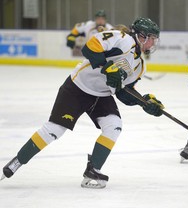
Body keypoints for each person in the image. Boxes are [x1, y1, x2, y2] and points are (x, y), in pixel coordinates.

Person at [1, 17, 164, 189]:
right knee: (55, 130)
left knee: (114, 125)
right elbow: (90, 47)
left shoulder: (140, 66)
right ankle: (19, 160)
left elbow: (123, 92)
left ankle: (93, 169)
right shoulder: (122, 38)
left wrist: (145, 102)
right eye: (152, 38)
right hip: (78, 87)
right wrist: (107, 66)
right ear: (141, 36)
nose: (154, 43)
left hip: (101, 95)